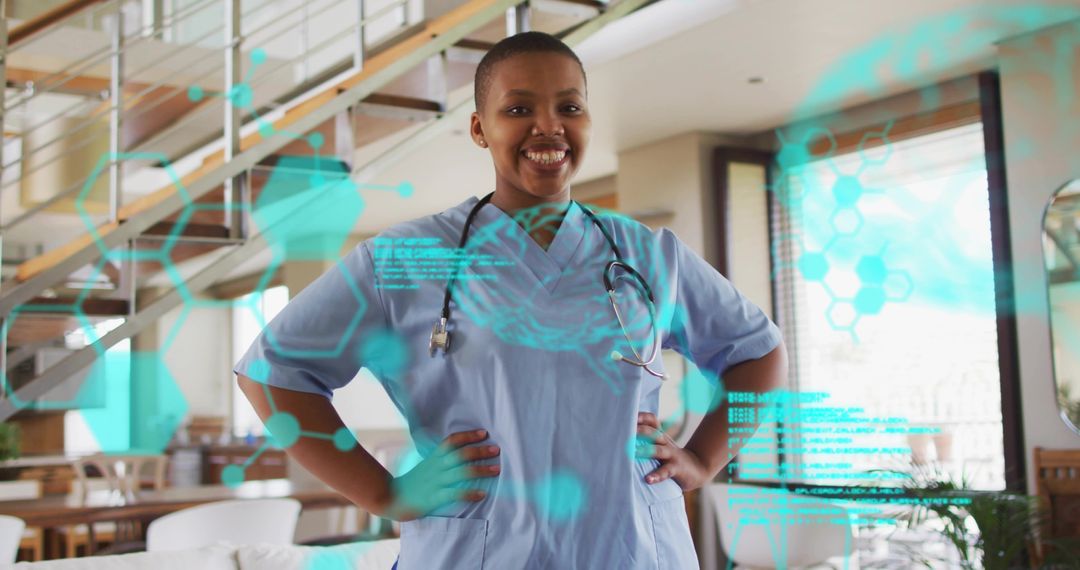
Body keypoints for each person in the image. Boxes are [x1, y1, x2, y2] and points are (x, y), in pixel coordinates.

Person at [234, 31, 787, 569]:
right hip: (478, 550)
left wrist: (703, 459)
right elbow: (272, 372)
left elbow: (756, 352)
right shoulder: (405, 259)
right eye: (518, 110)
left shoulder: (649, 254)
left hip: (634, 546)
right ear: (480, 128)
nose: (549, 127)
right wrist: (384, 494)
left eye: (569, 106)